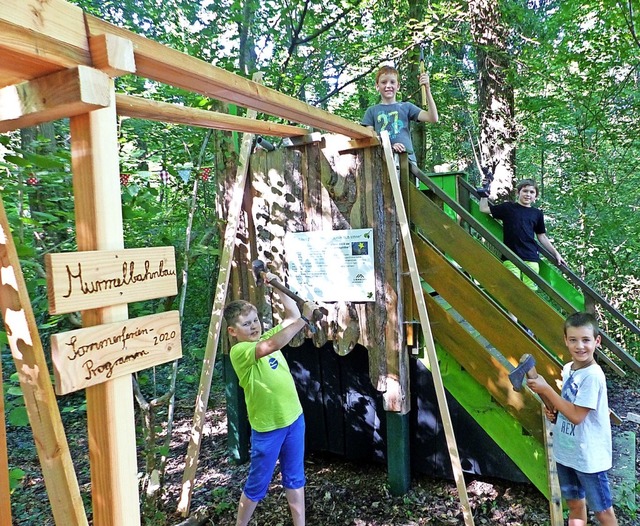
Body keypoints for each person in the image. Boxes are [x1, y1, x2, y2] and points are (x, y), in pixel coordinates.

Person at [223, 273, 318, 526]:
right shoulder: (240, 351)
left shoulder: (263, 337)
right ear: (233, 331)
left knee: (295, 478)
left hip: (294, 420)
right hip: (268, 429)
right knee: (257, 484)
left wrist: (278, 287)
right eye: (246, 324)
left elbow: (292, 317)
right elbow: (274, 344)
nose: (254, 327)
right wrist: (306, 319)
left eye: (255, 321)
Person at [527, 312, 618, 526]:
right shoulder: (568, 369)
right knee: (576, 505)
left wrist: (547, 390)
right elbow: (568, 408)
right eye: (574, 340)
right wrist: (556, 414)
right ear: (565, 340)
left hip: (589, 458)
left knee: (602, 511)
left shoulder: (593, 376)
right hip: (567, 452)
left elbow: (577, 416)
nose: (580, 346)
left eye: (586, 340)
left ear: (597, 341)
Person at [479, 178, 565, 291]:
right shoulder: (508, 208)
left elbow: (542, 236)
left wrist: (556, 254)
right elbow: (483, 208)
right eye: (525, 191)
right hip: (510, 256)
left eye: (532, 192)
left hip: (531, 257)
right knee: (511, 289)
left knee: (530, 291)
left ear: (535, 197)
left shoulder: (537, 214)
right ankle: (510, 310)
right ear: (518, 192)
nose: (528, 194)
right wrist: (484, 194)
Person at [361, 65, 438, 167]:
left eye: (392, 82)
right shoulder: (371, 111)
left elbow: (433, 118)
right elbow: (370, 138)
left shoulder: (406, 107)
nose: (388, 86)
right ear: (377, 86)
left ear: (398, 86)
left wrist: (427, 89)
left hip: (408, 160)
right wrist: (389, 147)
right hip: (382, 161)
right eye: (384, 82)